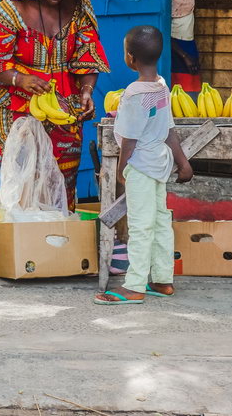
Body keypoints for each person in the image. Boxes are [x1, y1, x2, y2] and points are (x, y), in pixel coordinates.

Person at [0, 0, 110, 209]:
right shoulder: (8, 12)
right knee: (25, 176)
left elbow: (88, 58)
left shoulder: (77, 12)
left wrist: (87, 90)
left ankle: (59, 234)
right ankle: (25, 238)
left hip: (63, 104)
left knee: (63, 175)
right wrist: (20, 80)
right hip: (14, 106)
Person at [95, 25, 193, 305]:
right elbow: (168, 130)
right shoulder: (162, 88)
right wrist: (182, 162)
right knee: (161, 220)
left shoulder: (134, 94)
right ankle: (163, 280)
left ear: (129, 58)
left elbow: (129, 138)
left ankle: (135, 285)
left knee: (140, 225)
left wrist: (121, 169)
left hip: (140, 166)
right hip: (160, 163)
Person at [171, 0, 202, 93]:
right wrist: (184, 56)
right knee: (180, 94)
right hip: (176, 49)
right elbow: (162, 30)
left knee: (192, 92)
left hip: (189, 45)